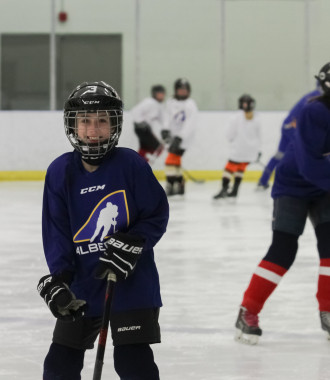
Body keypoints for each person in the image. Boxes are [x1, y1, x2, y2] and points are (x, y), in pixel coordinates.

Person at [37, 81, 169, 379]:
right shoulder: (60, 172)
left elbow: (156, 214)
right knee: (59, 364)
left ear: (115, 124)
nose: (93, 130)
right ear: (73, 125)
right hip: (82, 284)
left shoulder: (130, 165)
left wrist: (134, 242)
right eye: (84, 121)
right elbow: (57, 233)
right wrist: (60, 279)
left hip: (131, 282)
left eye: (102, 121)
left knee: (133, 362)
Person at [235, 62, 330, 345]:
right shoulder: (314, 111)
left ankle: (328, 310)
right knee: (284, 249)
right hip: (295, 185)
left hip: (323, 184)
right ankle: (248, 310)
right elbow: (309, 165)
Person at [257, 86, 322, 189]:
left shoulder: (314, 94)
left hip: (288, 125)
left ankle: (263, 181)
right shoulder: (318, 96)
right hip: (293, 126)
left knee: (279, 155)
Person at [213, 94, 261, 199]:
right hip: (251, 151)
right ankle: (235, 190)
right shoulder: (256, 117)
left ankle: (224, 189)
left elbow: (229, 135)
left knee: (228, 169)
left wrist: (232, 141)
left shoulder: (236, 117)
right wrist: (257, 151)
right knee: (240, 168)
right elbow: (259, 135)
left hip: (238, 150)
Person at [162, 78, 198, 196]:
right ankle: (180, 183)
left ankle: (170, 184)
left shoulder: (190, 104)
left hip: (184, 139)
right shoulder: (170, 102)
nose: (183, 92)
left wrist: (180, 137)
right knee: (175, 160)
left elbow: (190, 124)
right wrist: (165, 129)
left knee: (170, 160)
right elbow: (167, 116)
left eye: (185, 90)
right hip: (172, 136)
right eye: (180, 89)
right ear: (176, 90)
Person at [131, 85, 166, 162]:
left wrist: (166, 130)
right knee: (158, 148)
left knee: (144, 148)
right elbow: (135, 111)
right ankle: (142, 164)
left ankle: (138, 164)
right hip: (141, 129)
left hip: (146, 129)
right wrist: (140, 122)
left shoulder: (159, 105)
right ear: (154, 94)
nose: (161, 95)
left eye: (162, 94)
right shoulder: (149, 102)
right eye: (159, 94)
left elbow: (162, 119)